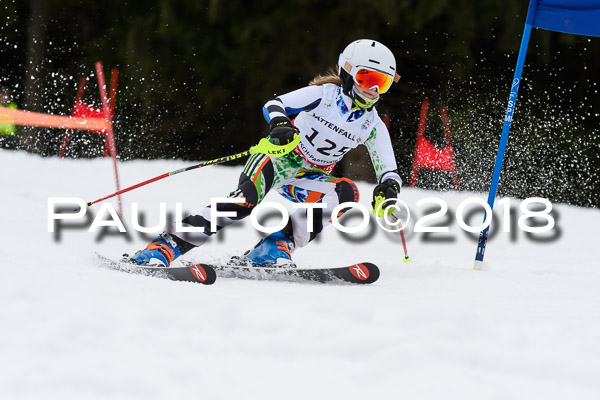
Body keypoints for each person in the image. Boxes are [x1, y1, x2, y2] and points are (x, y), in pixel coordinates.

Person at [129, 39, 403, 267]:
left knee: (346, 193)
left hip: (307, 178)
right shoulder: (325, 95)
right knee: (243, 203)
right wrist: (281, 123)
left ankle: (273, 248)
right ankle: (165, 247)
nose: (373, 90)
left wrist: (388, 189)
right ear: (347, 72)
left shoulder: (372, 125)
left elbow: (388, 170)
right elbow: (276, 104)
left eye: (383, 83)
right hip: (275, 160)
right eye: (367, 78)